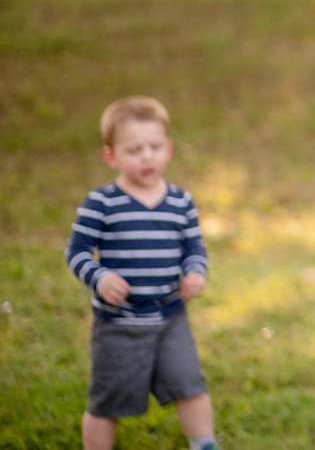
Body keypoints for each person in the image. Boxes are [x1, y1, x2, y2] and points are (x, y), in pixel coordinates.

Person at [65, 95, 218, 450]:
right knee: (108, 401)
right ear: (111, 156)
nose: (146, 156)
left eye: (154, 146)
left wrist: (195, 273)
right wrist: (100, 277)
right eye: (134, 149)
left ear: (169, 149)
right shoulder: (101, 203)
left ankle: (205, 443)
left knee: (190, 384)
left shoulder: (181, 201)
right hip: (119, 323)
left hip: (170, 317)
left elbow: (194, 248)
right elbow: (77, 252)